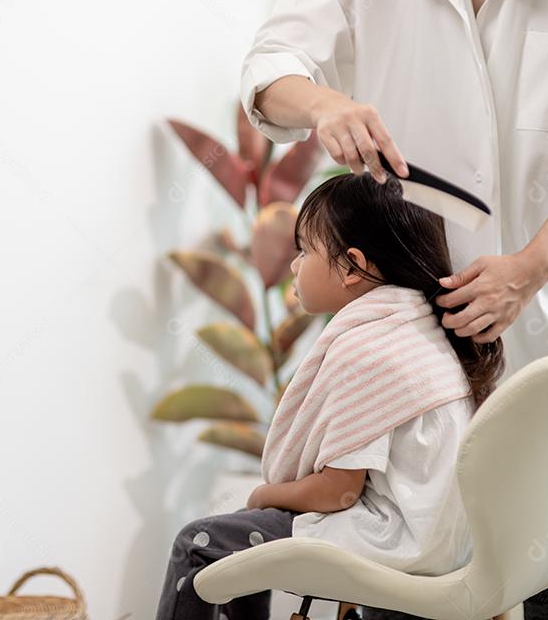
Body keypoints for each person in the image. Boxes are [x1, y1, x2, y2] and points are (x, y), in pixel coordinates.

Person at [240, 0, 548, 616]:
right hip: (409, 333)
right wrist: (324, 104)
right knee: (406, 560)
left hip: (545, 308)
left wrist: (533, 265)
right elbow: (273, 67)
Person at [155, 171, 504, 620]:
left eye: (304, 251)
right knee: (237, 546)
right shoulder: (420, 329)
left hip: (395, 541)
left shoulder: (368, 346)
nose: (294, 266)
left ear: (351, 267)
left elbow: (338, 492)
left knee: (198, 545)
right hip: (444, 543)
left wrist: (265, 495)